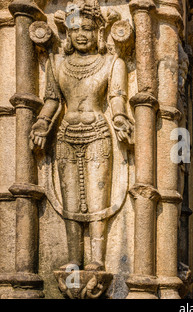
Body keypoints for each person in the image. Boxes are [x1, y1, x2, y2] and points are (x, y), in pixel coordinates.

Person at [30, 0, 132, 271]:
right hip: (65, 135)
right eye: (75, 29)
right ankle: (74, 258)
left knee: (98, 199)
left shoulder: (112, 63)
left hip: (98, 133)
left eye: (88, 28)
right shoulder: (57, 63)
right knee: (70, 201)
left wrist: (121, 120)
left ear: (99, 32)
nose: (81, 35)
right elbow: (52, 101)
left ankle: (97, 260)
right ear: (67, 34)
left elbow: (117, 99)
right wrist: (41, 124)